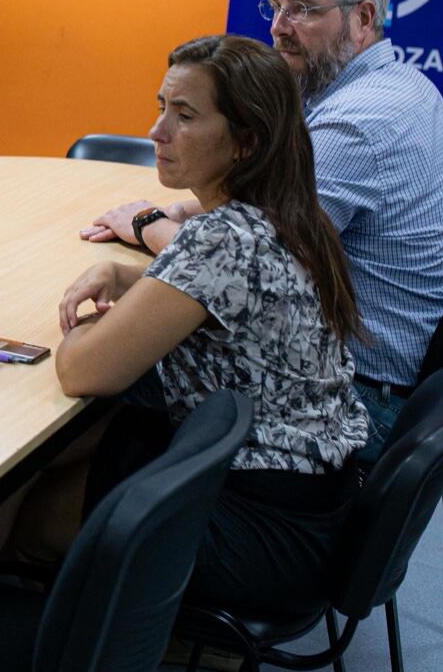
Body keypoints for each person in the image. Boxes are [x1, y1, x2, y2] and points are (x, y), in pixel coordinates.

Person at [84, 0, 443, 459]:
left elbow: (247, 263)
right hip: (388, 367)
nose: (277, 27)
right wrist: (181, 210)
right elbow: (264, 211)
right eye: (274, 8)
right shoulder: (397, 83)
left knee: (103, 370)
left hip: (362, 394)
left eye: (301, 10)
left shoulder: (358, 123)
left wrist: (147, 224)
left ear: (362, 19)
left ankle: (85, 512)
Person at [58, 34, 370, 612]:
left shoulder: (224, 238)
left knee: (28, 513)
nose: (157, 133)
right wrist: (134, 285)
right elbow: (216, 297)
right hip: (314, 499)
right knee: (80, 449)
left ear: (245, 141)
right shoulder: (290, 211)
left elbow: (81, 370)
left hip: (262, 531)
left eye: (185, 116)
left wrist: (83, 329)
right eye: (161, 108)